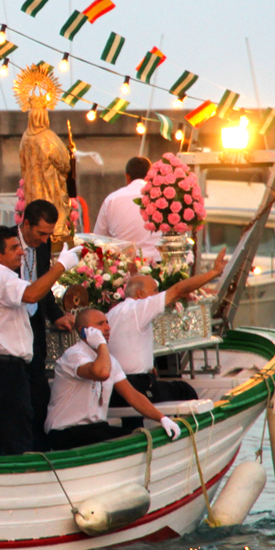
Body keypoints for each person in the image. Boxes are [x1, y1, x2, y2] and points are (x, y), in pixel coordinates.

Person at [0, 225, 80, 455]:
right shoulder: (3, 279)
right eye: (14, 248)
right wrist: (61, 266)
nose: (21, 252)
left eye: (19, 247)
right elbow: (31, 294)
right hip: (8, 369)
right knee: (17, 431)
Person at [45, 308, 182, 450]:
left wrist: (162, 418)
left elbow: (133, 395)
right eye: (100, 324)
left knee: (140, 439)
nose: (108, 328)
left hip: (95, 428)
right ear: (83, 331)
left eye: (107, 322)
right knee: (130, 445)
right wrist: (100, 344)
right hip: (66, 432)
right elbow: (101, 373)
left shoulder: (109, 360)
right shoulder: (74, 355)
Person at [106, 251, 228, 402]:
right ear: (140, 294)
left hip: (115, 388)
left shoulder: (112, 313)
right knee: (185, 390)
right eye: (155, 291)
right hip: (136, 386)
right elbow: (177, 291)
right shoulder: (139, 307)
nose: (159, 294)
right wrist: (214, 272)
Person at [15, 198, 66, 443]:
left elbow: (44, 285)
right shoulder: (6, 242)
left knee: (39, 390)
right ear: (26, 224)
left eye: (49, 234)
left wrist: (56, 316)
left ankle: (39, 443)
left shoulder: (43, 246)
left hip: (34, 326)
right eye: (41, 233)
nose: (45, 239)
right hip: (9, 325)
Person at [93, 156, 160, 263]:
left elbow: (99, 239)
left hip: (123, 267)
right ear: (150, 175)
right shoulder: (162, 198)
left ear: (127, 177)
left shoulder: (112, 199)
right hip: (158, 264)